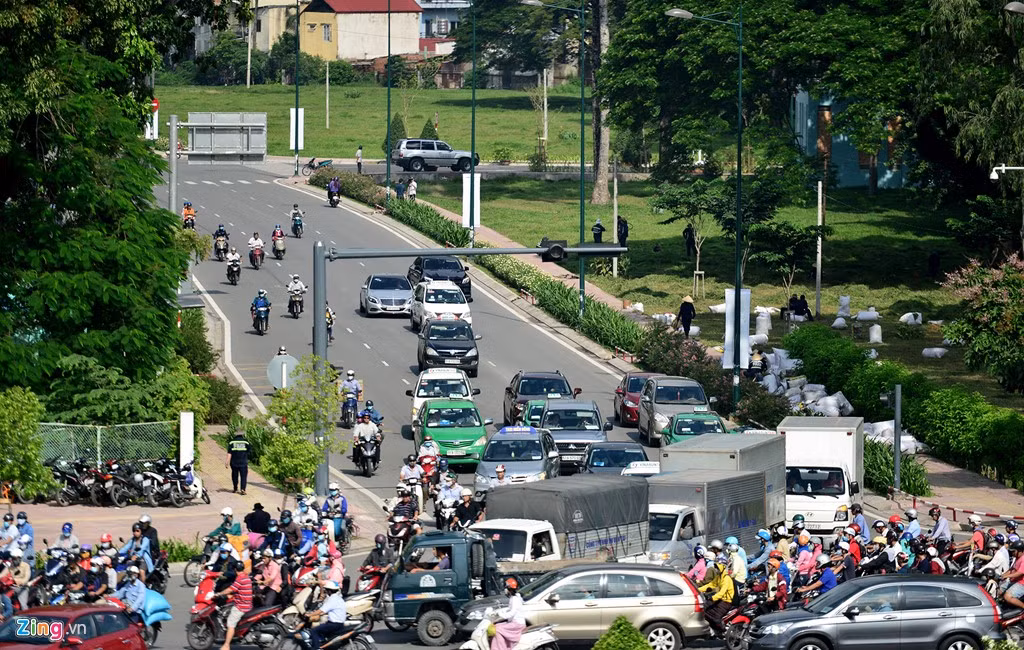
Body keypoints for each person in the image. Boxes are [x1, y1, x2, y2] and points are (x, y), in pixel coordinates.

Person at [217, 560, 253, 650]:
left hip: (241, 606)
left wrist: (219, 594)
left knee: (230, 623)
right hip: (247, 604)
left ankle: (226, 645)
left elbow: (230, 589)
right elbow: (238, 590)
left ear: (235, 570)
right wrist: (232, 595)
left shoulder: (239, 578)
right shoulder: (246, 577)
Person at [303, 580, 347, 650]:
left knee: (314, 631)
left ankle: (316, 648)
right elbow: (325, 611)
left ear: (329, 591)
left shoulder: (332, 599)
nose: (326, 592)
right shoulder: (339, 598)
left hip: (334, 624)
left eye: (326, 590)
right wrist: (319, 613)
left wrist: (309, 614)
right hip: (340, 624)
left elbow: (321, 610)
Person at [700, 554, 735, 636]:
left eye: (717, 567)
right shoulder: (719, 576)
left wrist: (712, 598)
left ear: (722, 567)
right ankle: (714, 631)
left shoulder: (726, 578)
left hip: (726, 602)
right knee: (704, 610)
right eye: (715, 567)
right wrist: (697, 590)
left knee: (716, 618)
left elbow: (721, 593)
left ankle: (724, 631)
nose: (716, 569)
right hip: (719, 600)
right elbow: (711, 585)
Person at [491, 577, 526, 650]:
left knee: (497, 629)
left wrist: (500, 616)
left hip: (517, 624)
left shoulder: (515, 599)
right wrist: (498, 612)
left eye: (506, 588)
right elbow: (509, 610)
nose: (505, 590)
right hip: (514, 622)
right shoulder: (514, 598)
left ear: (509, 589)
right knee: (497, 625)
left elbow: (511, 613)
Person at [226, 430, 251, 495]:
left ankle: (235, 488)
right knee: (243, 476)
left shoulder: (232, 442)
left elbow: (229, 453)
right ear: (242, 435)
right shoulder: (246, 442)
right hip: (243, 462)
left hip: (234, 463)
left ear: (236, 435)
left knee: (234, 475)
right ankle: (243, 489)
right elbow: (249, 451)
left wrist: (227, 462)